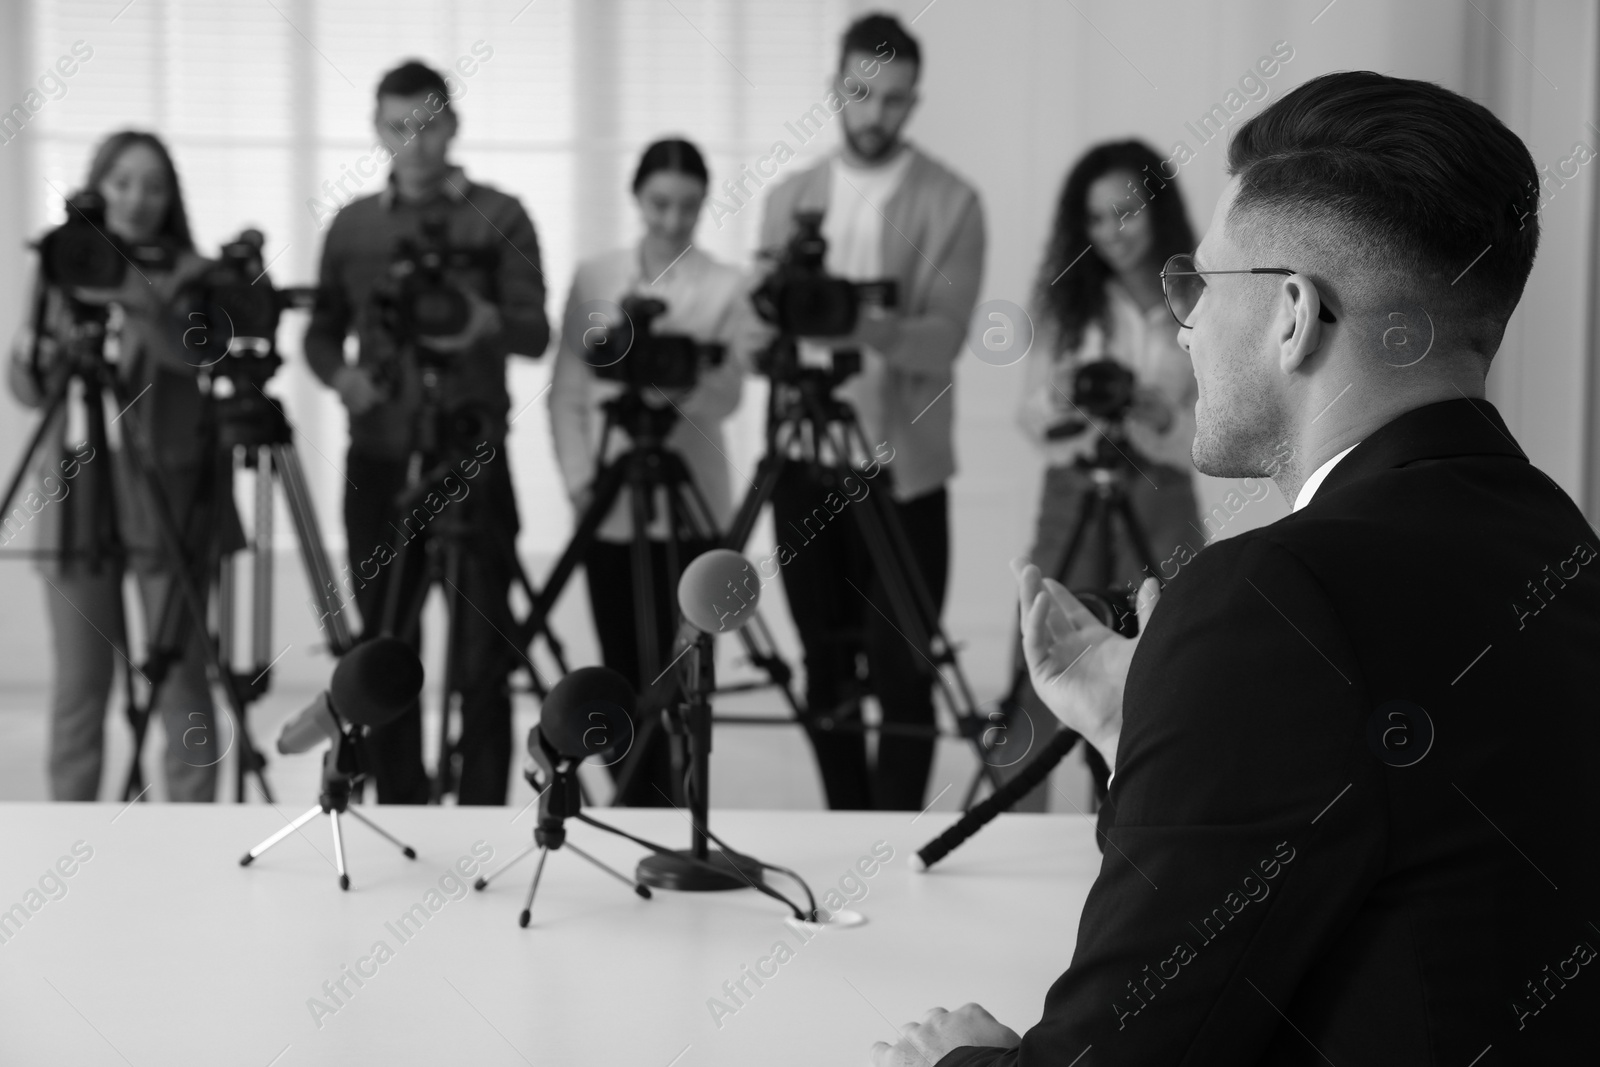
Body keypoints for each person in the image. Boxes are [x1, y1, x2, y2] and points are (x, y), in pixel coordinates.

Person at [876, 71, 1596, 1065]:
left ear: (1291, 313)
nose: (1183, 323)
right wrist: (1152, 731)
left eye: (1200, 285)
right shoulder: (1561, 543)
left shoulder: (1272, 599)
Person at [304, 60, 550, 806]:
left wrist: (485, 323)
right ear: (377, 130)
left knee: (484, 655)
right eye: (398, 126)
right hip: (379, 456)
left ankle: (480, 815)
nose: (415, 143)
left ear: (454, 125)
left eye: (430, 123)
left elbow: (538, 333)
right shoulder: (352, 226)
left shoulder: (501, 215)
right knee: (384, 644)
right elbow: (320, 336)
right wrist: (343, 379)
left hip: (473, 456)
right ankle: (403, 805)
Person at [757, 12, 985, 811]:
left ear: (913, 101)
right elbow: (765, 324)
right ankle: (846, 827)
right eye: (861, 93)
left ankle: (890, 843)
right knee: (825, 665)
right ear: (836, 91)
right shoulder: (789, 198)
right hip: (802, 459)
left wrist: (856, 322)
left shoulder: (952, 202)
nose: (875, 113)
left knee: (903, 667)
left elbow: (942, 341)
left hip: (903, 469)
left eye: (893, 99)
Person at [6, 131, 224, 802]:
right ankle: (69, 828)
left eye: (153, 184)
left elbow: (198, 355)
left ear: (170, 198)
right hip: (77, 487)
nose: (136, 197)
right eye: (122, 181)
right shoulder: (63, 264)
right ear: (99, 186)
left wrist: (133, 291)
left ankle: (194, 829)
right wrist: (40, 346)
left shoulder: (193, 271)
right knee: (79, 683)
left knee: (181, 679)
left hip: (169, 486)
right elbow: (29, 387)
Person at [549, 137, 753, 806]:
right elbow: (568, 391)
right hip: (609, 500)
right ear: (637, 198)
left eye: (689, 207)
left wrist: (675, 387)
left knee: (689, 670)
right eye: (660, 203)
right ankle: (638, 800)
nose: (672, 220)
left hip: (691, 500)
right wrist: (582, 483)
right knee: (623, 666)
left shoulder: (727, 286)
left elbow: (727, 393)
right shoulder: (597, 276)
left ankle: (685, 807)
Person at [1005, 140, 1201, 809]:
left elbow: (1216, 429)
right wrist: (1062, 397)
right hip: (1074, 489)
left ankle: (1151, 818)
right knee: (1045, 650)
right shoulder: (1066, 297)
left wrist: (1157, 413)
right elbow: (1030, 419)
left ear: (1158, 209)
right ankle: (1014, 820)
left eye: (1126, 212)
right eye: (1094, 218)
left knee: (1171, 660)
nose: (1111, 232)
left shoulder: (1199, 295)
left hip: (1160, 491)